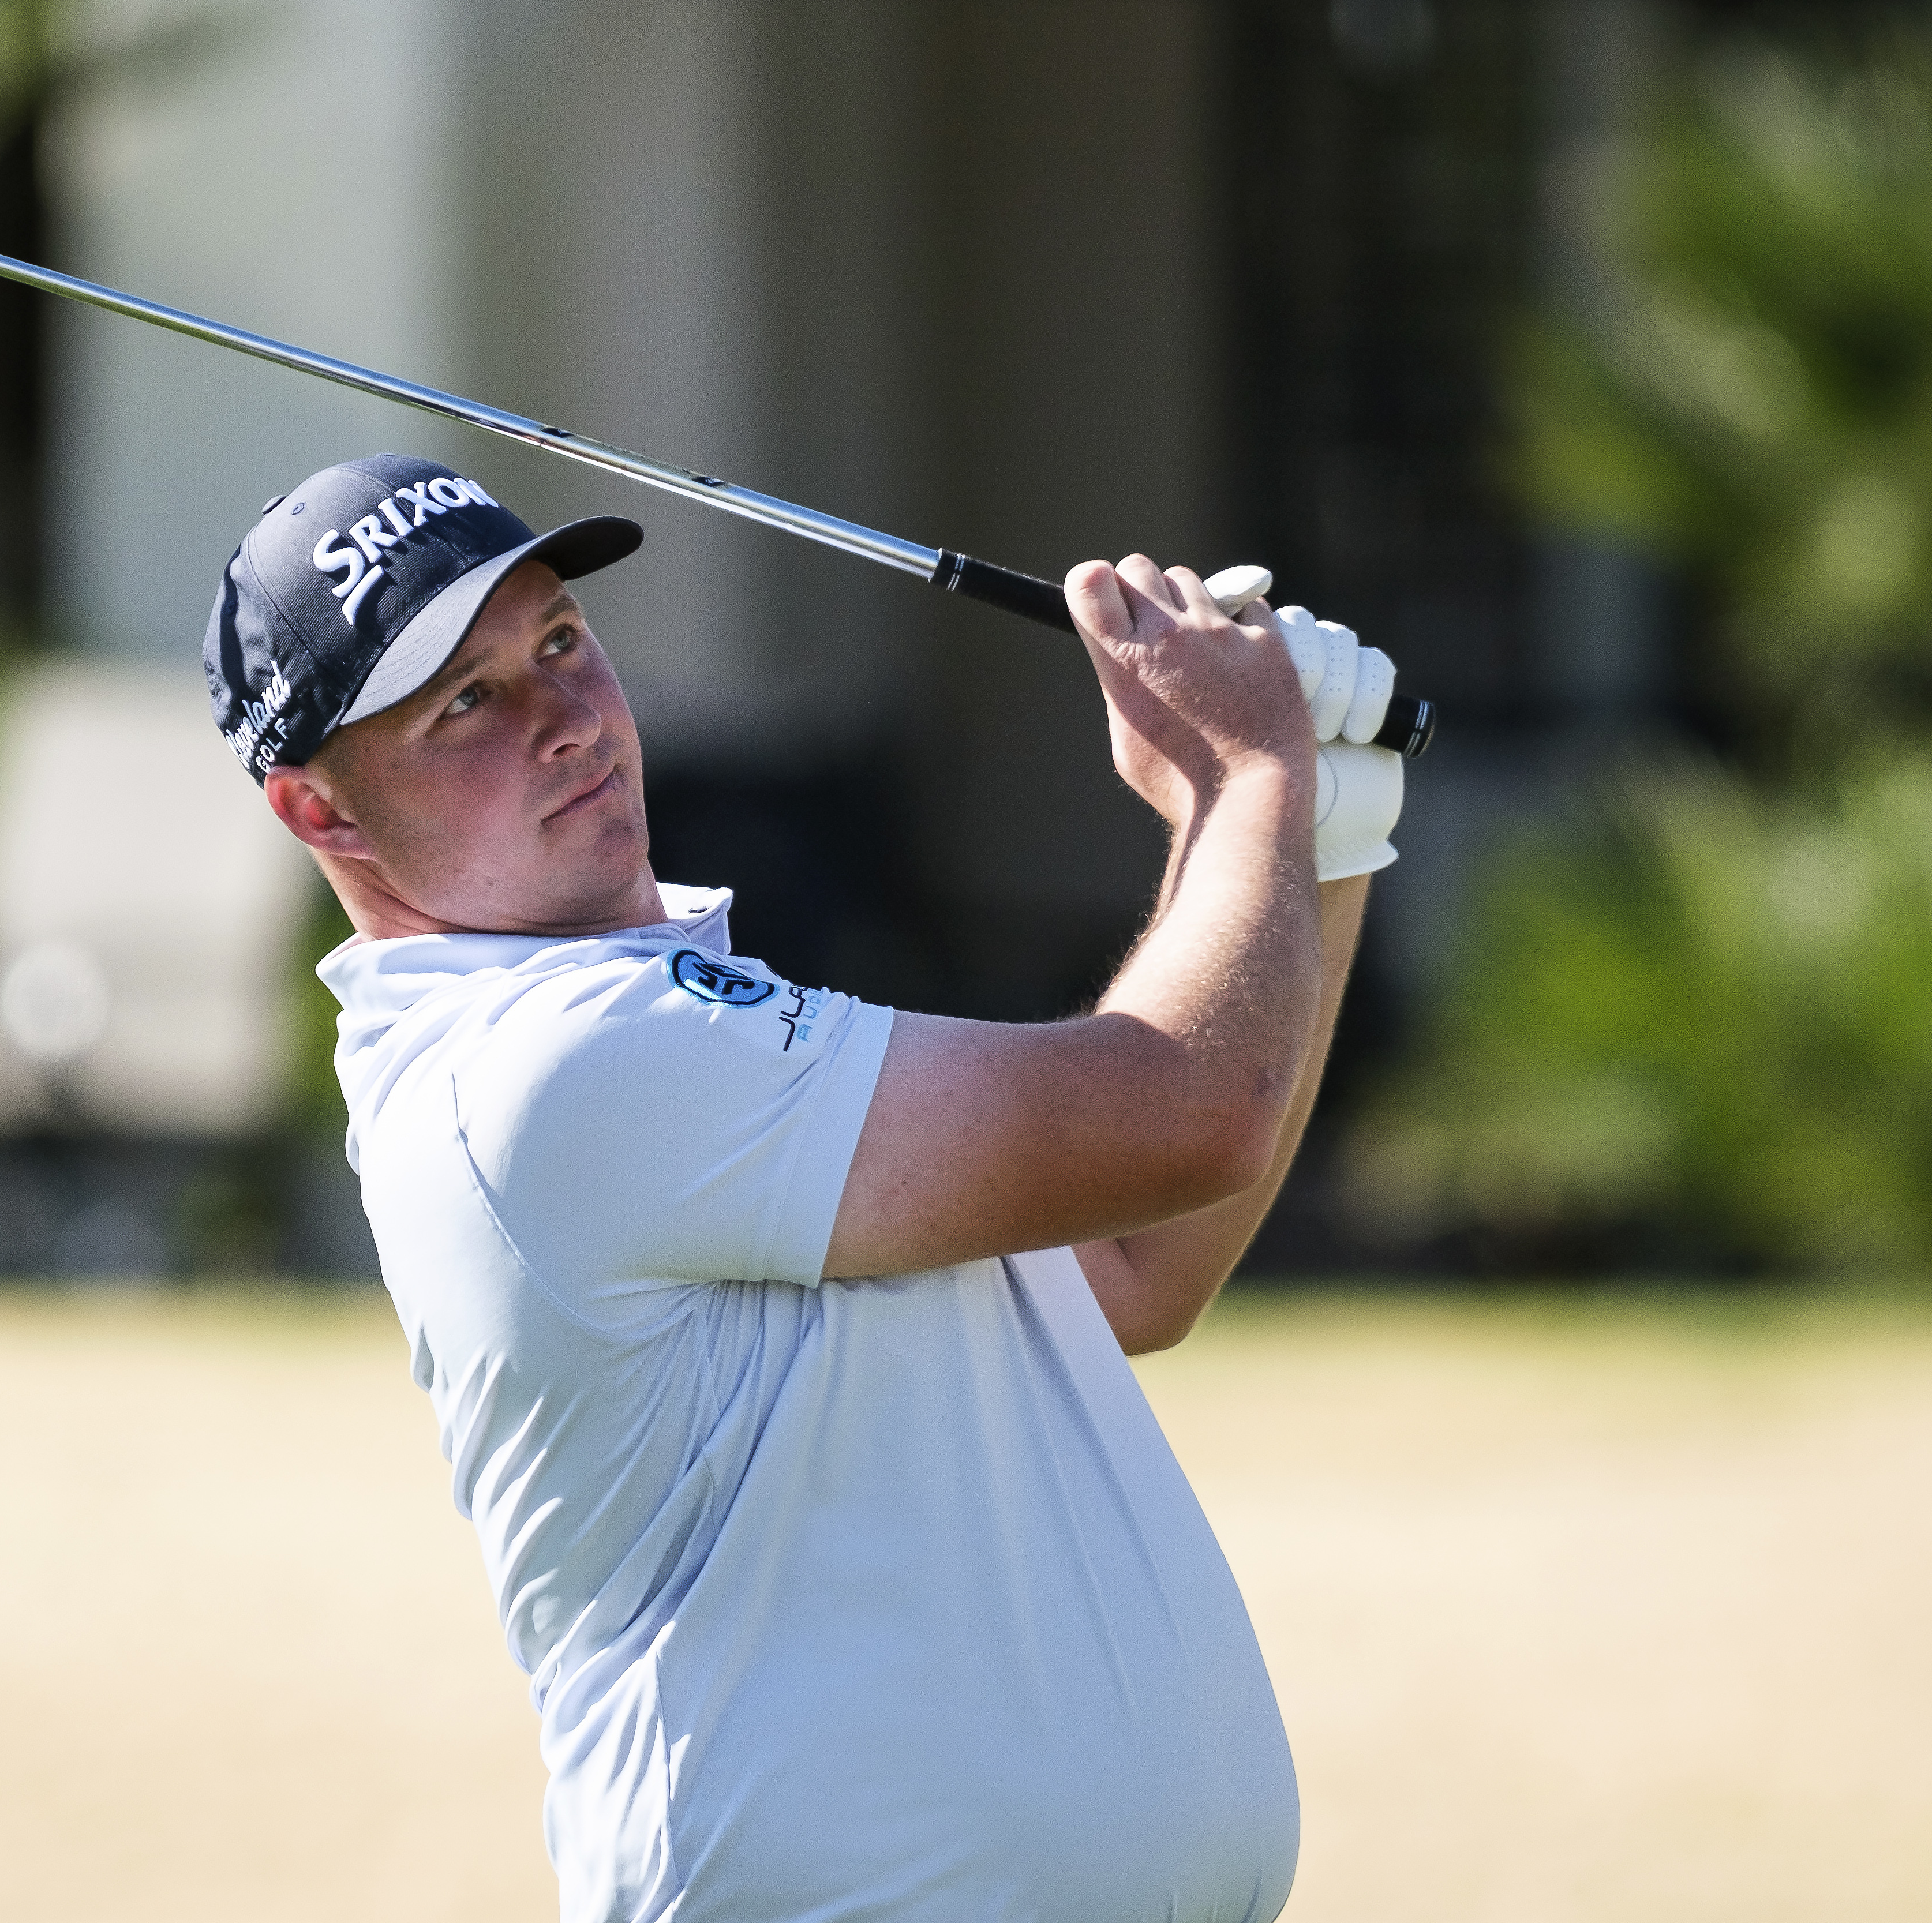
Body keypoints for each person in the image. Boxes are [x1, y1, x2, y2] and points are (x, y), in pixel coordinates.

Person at [203, 453, 1399, 1923]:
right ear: (319, 814)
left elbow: (1135, 1266)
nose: (565, 720)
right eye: (466, 702)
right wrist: (1252, 774)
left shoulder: (660, 1025)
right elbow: (1191, 1112)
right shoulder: (543, 1070)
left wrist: (1321, 835)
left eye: (561, 642)